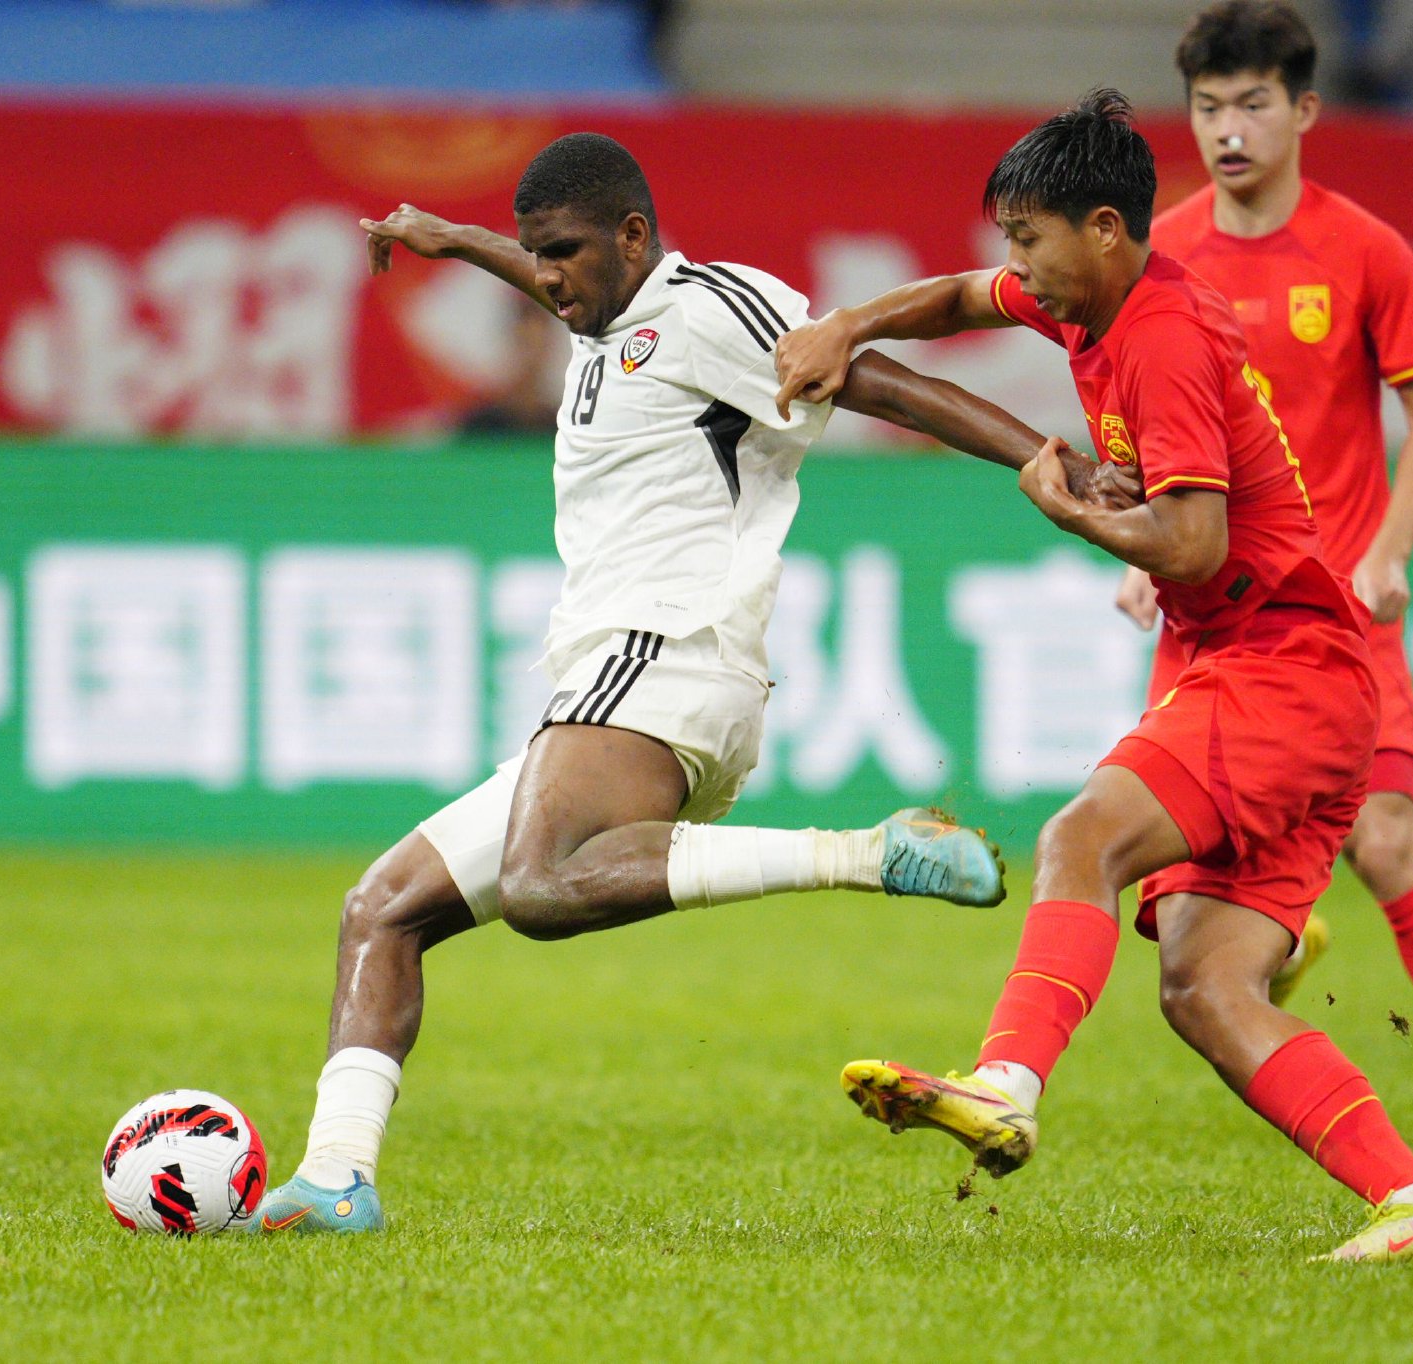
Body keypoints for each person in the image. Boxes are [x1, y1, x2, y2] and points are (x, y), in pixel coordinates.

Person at [256, 132, 1123, 1234]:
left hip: (667, 651)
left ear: (633, 233)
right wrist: (450, 239)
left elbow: (877, 382)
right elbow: (546, 276)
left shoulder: (713, 308)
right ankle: (337, 1178)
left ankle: (868, 851)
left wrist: (1041, 456)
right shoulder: (600, 313)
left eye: (567, 252)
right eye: (537, 256)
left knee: (536, 884)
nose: (551, 278)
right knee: (380, 909)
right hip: (607, 675)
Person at [774, 90, 1413, 1262]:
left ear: (1102, 228)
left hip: (1277, 665)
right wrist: (842, 326)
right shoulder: (1088, 298)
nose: (1015, 267)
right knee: (1206, 989)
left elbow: (1193, 547)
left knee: (1077, 839)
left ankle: (1004, 1079)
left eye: (1028, 240)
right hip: (1298, 678)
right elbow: (957, 298)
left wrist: (1073, 512)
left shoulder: (1157, 336)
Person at [1123, 0, 1413, 1160]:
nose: (1227, 129)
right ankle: (1281, 939)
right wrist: (1143, 549)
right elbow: (1140, 422)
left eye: (1251, 103)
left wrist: (1390, 543)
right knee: (1174, 909)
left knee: (1389, 838)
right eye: (1207, 108)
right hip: (1208, 617)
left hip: (1339, 614)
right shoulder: (1168, 258)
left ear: (1302, 109)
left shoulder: (1362, 249)